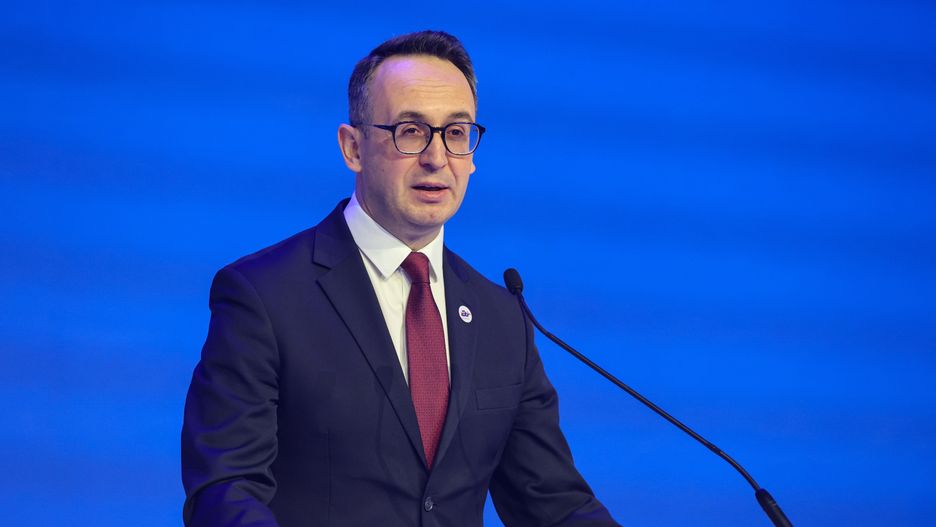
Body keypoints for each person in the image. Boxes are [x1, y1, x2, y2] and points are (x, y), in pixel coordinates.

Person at [181, 30, 618, 527]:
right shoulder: (265, 296)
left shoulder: (502, 319)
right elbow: (225, 490)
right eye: (411, 131)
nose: (437, 157)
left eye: (456, 133)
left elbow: (556, 505)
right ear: (353, 147)